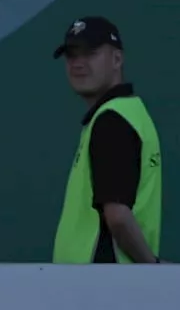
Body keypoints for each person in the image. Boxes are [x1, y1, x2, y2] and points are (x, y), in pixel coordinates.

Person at [50, 16, 164, 264]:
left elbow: (118, 216)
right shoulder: (126, 113)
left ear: (117, 59)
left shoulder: (112, 120)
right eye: (71, 55)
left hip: (100, 285)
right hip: (100, 284)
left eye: (90, 53)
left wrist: (152, 268)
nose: (78, 64)